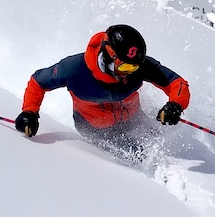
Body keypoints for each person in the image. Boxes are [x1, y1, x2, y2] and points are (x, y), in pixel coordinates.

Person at [14, 24, 190, 161]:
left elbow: (176, 82)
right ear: (108, 58)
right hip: (97, 130)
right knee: (140, 155)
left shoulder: (137, 67)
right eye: (125, 66)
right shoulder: (74, 69)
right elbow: (38, 82)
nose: (130, 72)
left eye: (135, 67)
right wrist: (29, 111)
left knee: (164, 145)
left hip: (134, 118)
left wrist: (175, 104)